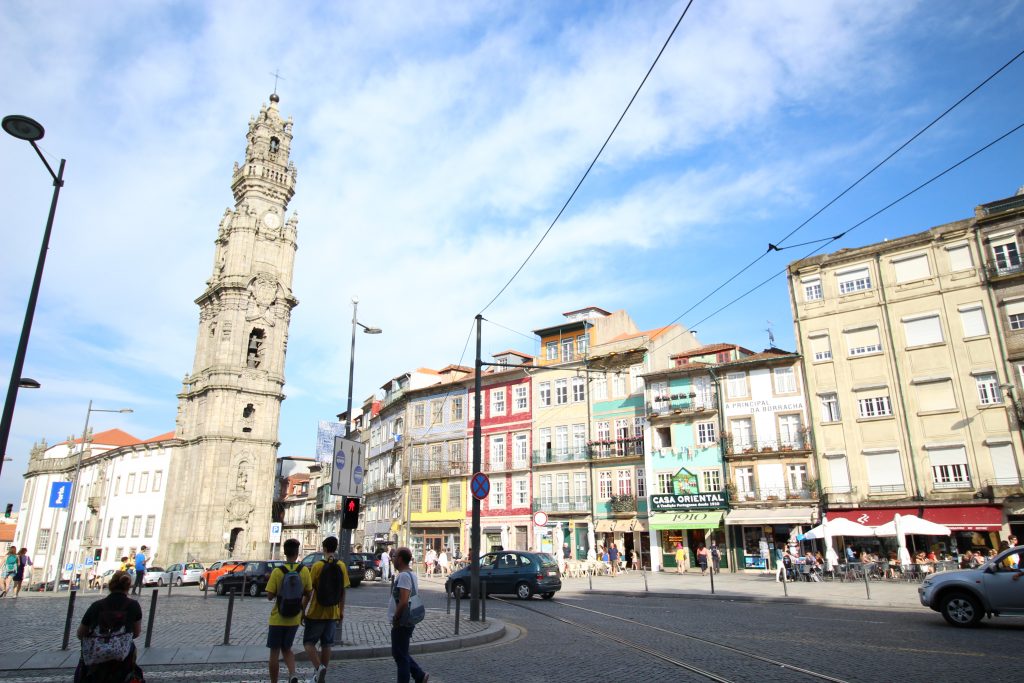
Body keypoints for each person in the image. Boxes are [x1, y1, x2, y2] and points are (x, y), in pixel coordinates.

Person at [75, 570, 143, 682]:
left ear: (111, 585)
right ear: (128, 586)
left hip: (96, 657)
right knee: (134, 671)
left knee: (84, 670)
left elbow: (81, 633)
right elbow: (136, 633)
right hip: (123, 657)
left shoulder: (96, 606)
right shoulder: (133, 606)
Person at [265, 538, 312, 683]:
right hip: (294, 618)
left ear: (284, 553)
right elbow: (309, 593)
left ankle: (274, 681)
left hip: (278, 617)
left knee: (274, 651)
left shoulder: (278, 572)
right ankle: (293, 674)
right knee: (287, 648)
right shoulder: (304, 571)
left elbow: (269, 596)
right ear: (297, 553)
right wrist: (302, 609)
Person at [303, 536, 349, 683]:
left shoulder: (317, 566)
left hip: (316, 611)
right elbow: (343, 591)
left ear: (324, 548)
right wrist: (341, 611)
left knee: (309, 643)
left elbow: (309, 591)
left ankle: (318, 668)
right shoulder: (341, 566)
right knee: (327, 644)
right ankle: (321, 676)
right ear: (335, 548)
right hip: (332, 612)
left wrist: (302, 610)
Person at [389, 547, 429, 683]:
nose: (392, 559)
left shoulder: (404, 576)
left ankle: (415, 676)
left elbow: (404, 601)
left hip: (402, 620)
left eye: (394, 556)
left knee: (400, 656)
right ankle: (420, 675)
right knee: (400, 652)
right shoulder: (411, 575)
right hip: (406, 620)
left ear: (400, 559)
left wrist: (396, 617)